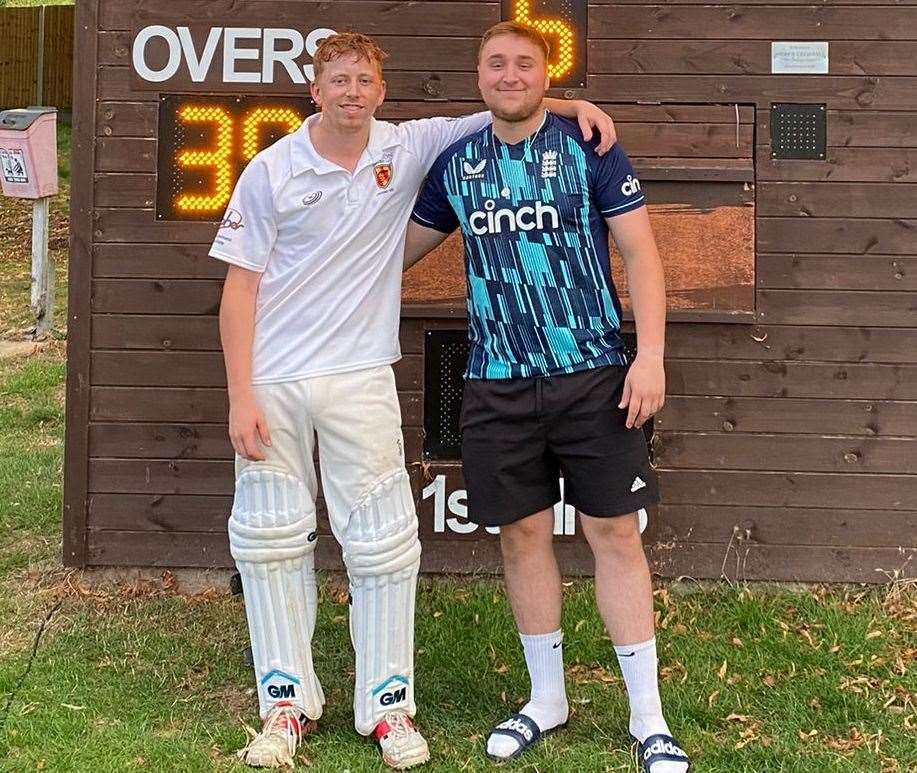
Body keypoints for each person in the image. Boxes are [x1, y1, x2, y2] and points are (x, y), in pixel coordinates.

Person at [210, 30, 620, 770]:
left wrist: (573, 102)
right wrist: (240, 393)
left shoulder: (407, 144)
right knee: (271, 536)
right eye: (337, 80)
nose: (351, 92)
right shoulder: (271, 169)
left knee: (382, 543)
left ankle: (388, 706)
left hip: (360, 369)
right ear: (314, 88)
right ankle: (283, 703)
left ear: (379, 89)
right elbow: (238, 291)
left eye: (363, 79)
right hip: (273, 374)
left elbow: (505, 105)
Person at [405, 21, 691, 773]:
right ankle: (547, 699)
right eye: (495, 63)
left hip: (593, 374)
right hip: (496, 382)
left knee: (614, 537)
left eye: (523, 64)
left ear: (544, 75)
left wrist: (650, 355)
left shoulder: (589, 150)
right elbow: (390, 251)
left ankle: (647, 720)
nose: (508, 75)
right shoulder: (454, 166)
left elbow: (640, 252)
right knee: (521, 538)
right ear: (477, 75)